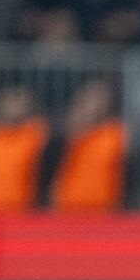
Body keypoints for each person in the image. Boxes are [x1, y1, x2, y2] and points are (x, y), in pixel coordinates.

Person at [48, 79, 128, 213]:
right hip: (69, 205)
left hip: (105, 206)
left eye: (101, 99)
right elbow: (52, 164)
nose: (96, 105)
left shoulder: (115, 132)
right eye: (92, 98)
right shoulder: (67, 131)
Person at [0, 86, 49, 213]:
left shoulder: (33, 134)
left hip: (24, 207)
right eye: (10, 103)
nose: (14, 109)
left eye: (18, 103)